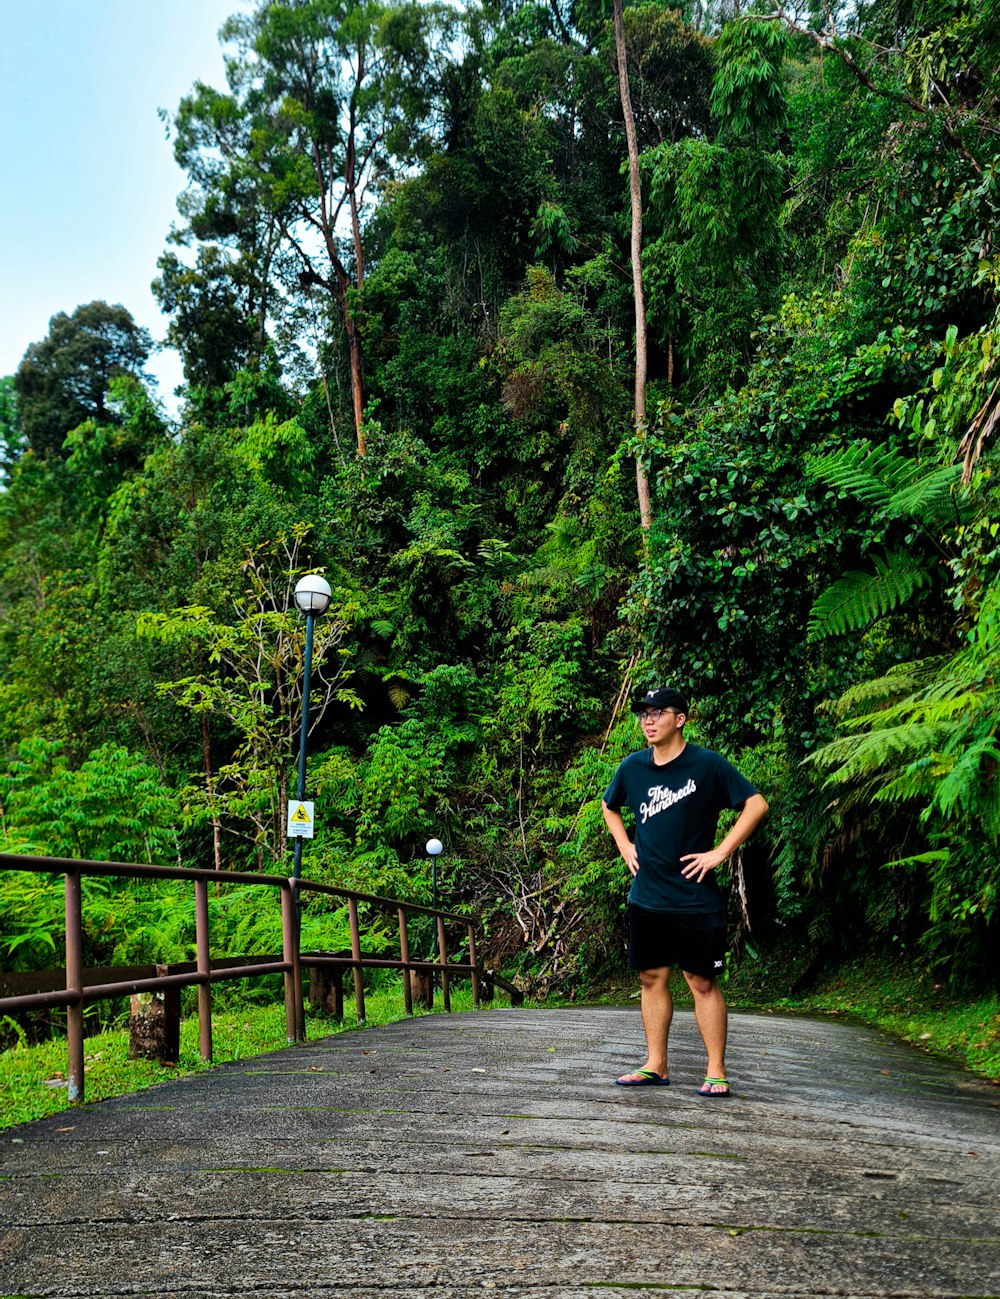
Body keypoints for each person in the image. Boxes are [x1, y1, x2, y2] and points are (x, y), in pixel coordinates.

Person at [601, 686, 768, 1097]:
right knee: (651, 977)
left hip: (695, 898)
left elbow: (756, 804)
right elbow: (609, 806)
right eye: (643, 714)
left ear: (680, 719)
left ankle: (716, 1070)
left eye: (659, 713)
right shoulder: (633, 767)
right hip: (648, 896)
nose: (649, 721)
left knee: (701, 980)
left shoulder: (706, 765)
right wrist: (625, 845)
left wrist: (719, 853)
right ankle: (655, 1065)